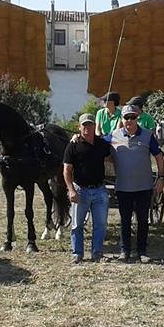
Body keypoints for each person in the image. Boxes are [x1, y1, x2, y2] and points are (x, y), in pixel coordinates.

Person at [105, 104, 164, 263]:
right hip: (123, 188)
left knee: (143, 221)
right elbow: (95, 145)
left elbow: (159, 156)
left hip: (144, 187)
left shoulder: (147, 136)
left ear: (137, 118)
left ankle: (142, 252)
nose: (130, 120)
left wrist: (161, 178)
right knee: (125, 220)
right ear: (122, 119)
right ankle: (124, 251)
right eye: (126, 117)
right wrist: (77, 138)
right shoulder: (113, 136)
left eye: (133, 117)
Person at [63, 113, 112, 264]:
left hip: (100, 190)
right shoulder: (73, 145)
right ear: (79, 127)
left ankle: (97, 253)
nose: (87, 128)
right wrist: (71, 190)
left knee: (101, 224)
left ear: (94, 126)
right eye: (84, 125)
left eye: (90, 124)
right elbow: (67, 170)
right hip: (81, 190)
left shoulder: (102, 144)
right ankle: (77, 254)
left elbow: (113, 150)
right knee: (77, 225)